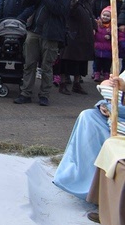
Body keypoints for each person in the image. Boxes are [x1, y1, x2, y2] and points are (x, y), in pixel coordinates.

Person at [53, 72, 125, 200]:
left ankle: (102, 195)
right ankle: (78, 179)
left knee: (106, 138)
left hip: (121, 124)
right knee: (88, 117)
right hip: (116, 117)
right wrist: (105, 104)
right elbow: (110, 89)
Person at [14, 0, 72, 106]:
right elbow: (25, 3)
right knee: (29, 64)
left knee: (46, 66)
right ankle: (26, 93)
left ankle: (44, 95)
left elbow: (58, 10)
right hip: (34, 31)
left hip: (51, 35)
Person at [58, 0, 95, 95]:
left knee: (82, 61)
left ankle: (77, 84)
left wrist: (94, 26)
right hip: (72, 34)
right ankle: (63, 83)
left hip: (84, 35)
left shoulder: (86, 0)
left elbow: (90, 14)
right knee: (66, 60)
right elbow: (69, 11)